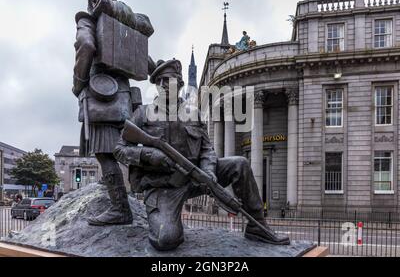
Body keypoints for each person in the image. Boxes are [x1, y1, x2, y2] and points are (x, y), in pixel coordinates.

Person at [114, 59, 290, 251]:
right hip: (163, 187)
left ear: (180, 85)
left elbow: (207, 149)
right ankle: (168, 224)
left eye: (170, 80)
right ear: (156, 85)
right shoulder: (143, 113)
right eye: (161, 81)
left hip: (195, 177)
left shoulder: (193, 113)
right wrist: (147, 154)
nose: (165, 85)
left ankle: (257, 225)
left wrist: (209, 172)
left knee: (240, 163)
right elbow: (119, 149)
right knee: (166, 240)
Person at [72, 0, 154, 226]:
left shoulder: (89, 19)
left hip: (100, 96)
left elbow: (85, 46)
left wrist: (79, 84)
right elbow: (146, 61)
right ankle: (152, 201)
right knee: (127, 151)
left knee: (105, 155)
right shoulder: (128, 22)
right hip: (126, 100)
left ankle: (120, 209)